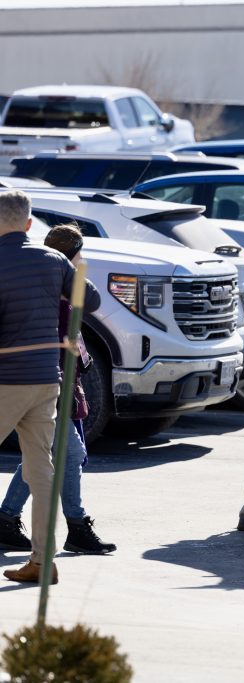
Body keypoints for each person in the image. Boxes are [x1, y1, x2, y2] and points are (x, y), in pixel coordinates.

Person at [0, 191, 101, 584]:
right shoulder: (55, 260)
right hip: (46, 381)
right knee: (42, 469)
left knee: (41, 467)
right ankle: (43, 561)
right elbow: (88, 300)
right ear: (28, 225)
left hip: (7, 379)